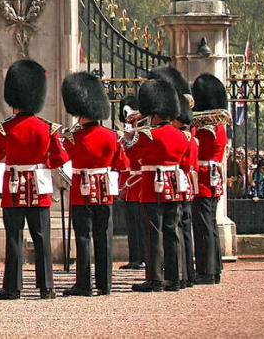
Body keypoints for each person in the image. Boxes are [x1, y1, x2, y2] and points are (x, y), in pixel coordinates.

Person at [0, 58, 67, 300]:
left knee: (14, 237)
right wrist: (45, 163)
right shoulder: (48, 128)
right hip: (39, 187)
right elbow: (60, 157)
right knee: (42, 236)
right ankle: (47, 288)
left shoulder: (5, 128)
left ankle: (13, 288)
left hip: (13, 187)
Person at [59, 71, 128, 297]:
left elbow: (57, 160)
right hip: (105, 190)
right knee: (103, 235)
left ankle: (84, 284)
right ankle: (105, 283)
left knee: (82, 237)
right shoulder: (112, 136)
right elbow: (123, 163)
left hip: (81, 191)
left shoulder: (72, 137)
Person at [125, 76, 190, 292]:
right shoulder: (182, 136)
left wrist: (128, 139)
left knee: (154, 234)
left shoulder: (149, 136)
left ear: (154, 112)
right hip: (173, 186)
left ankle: (155, 278)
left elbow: (132, 157)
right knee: (172, 232)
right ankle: (175, 278)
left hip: (153, 187)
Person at [151, 65, 197, 288]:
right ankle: (180, 275)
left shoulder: (154, 135)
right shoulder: (185, 136)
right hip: (178, 185)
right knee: (176, 231)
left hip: (161, 185)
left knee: (160, 232)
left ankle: (161, 277)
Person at [191, 72, 228, 285]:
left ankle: (206, 270)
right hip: (213, 179)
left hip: (204, 179)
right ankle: (214, 269)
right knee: (210, 225)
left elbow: (194, 149)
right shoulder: (220, 126)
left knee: (203, 226)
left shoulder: (204, 129)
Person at [117, 93, 146, 270]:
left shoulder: (141, 134)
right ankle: (134, 257)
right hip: (129, 184)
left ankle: (142, 257)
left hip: (139, 182)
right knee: (132, 224)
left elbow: (135, 156)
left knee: (140, 224)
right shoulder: (131, 133)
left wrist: (128, 141)